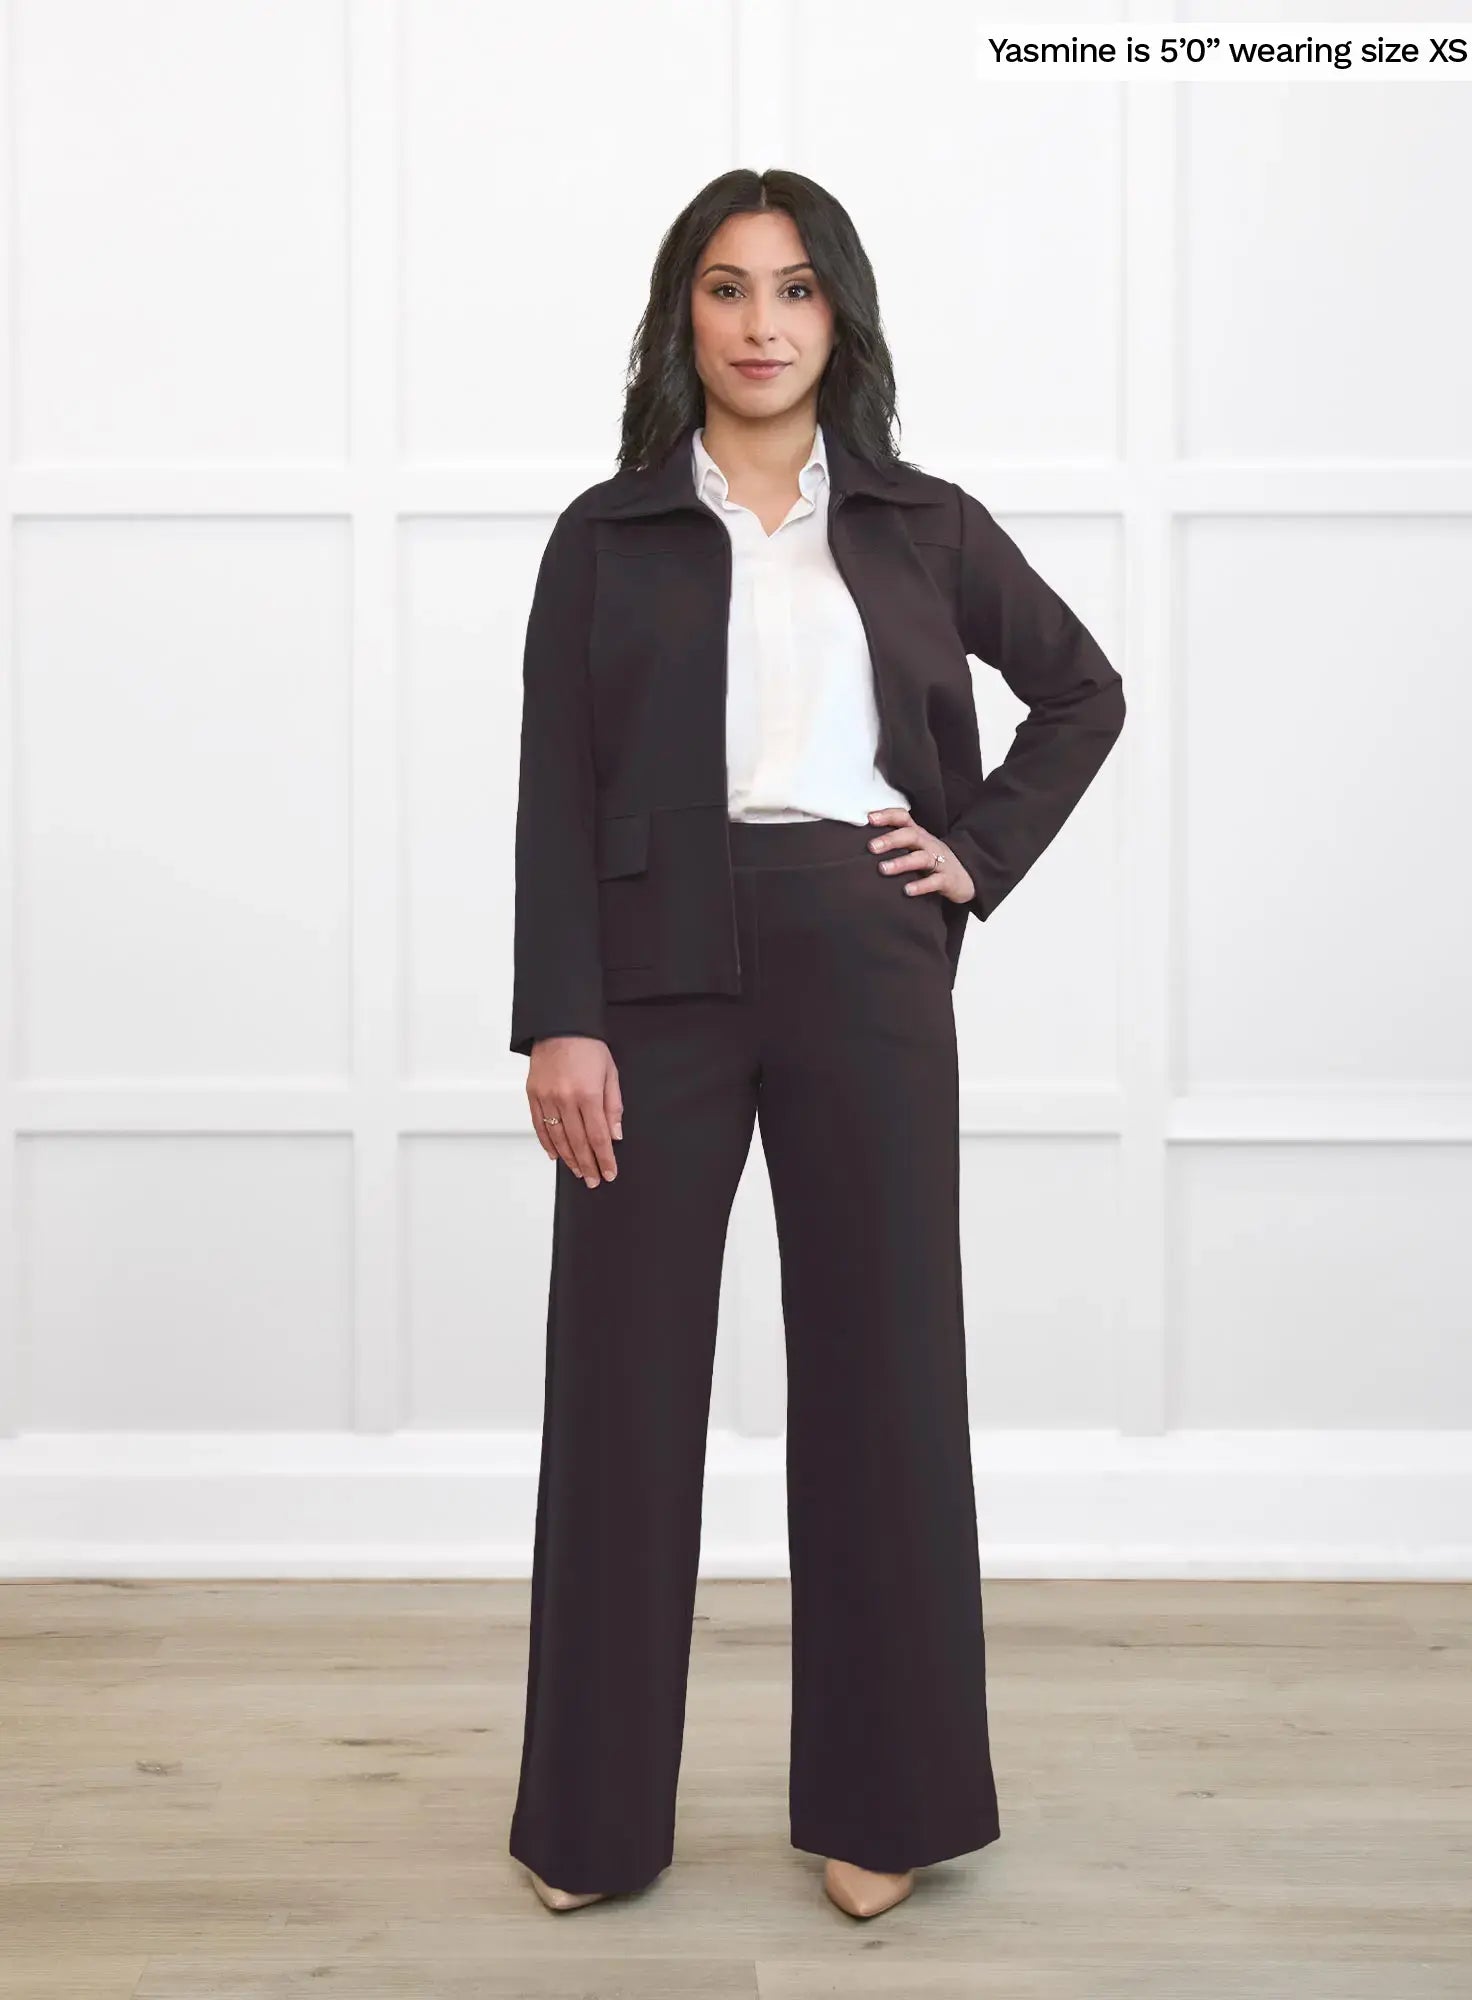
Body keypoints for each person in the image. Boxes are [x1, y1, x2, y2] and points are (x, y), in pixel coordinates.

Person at [507, 168, 1126, 1920]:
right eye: (726, 288)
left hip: (865, 952)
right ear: (681, 317)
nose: (760, 324)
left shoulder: (924, 523)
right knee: (622, 1389)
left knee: (884, 1375)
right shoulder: (606, 535)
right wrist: (562, 1016)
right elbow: (555, 785)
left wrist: (974, 853)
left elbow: (1082, 690)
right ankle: (591, 1826)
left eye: (793, 289)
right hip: (650, 978)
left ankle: (887, 1805)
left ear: (836, 315)